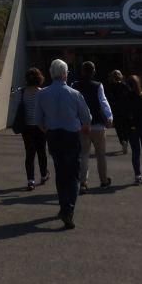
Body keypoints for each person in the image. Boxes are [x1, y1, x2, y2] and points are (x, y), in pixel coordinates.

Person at [36, 58, 91, 229]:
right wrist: (81, 128)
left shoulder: (42, 93)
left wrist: (49, 131)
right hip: (70, 136)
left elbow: (38, 120)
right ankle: (68, 210)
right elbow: (87, 117)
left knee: (60, 173)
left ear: (51, 74)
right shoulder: (75, 94)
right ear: (65, 74)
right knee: (73, 175)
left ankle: (63, 207)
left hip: (53, 136)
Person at [72, 61, 113, 191]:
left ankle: (83, 182)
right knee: (101, 154)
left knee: (83, 155)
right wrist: (109, 117)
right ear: (93, 71)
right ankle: (104, 180)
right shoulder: (98, 85)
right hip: (98, 125)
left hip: (82, 125)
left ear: (82, 71)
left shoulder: (74, 85)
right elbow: (103, 102)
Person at [19, 67, 49, 191]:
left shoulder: (21, 92)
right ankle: (43, 175)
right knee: (41, 152)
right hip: (40, 127)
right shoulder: (42, 92)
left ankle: (30, 180)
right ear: (39, 78)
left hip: (26, 127)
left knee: (29, 154)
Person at [105, 69, 130, 155]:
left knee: (119, 128)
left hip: (115, 110)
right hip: (125, 110)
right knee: (126, 127)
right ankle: (126, 140)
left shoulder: (110, 86)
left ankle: (122, 141)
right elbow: (129, 96)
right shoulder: (125, 85)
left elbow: (108, 98)